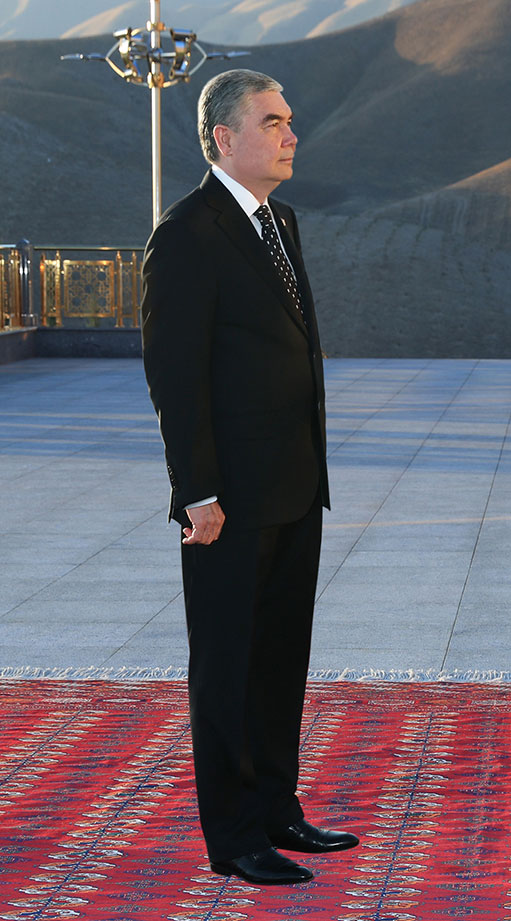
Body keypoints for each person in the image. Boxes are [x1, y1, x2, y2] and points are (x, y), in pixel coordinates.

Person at [141, 69, 357, 886]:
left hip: (296, 485)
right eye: (272, 121)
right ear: (224, 139)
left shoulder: (282, 220)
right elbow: (175, 374)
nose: (290, 133)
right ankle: (233, 835)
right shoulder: (186, 234)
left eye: (290, 119)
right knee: (227, 666)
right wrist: (195, 491)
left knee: (277, 658)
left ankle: (276, 809)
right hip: (226, 499)